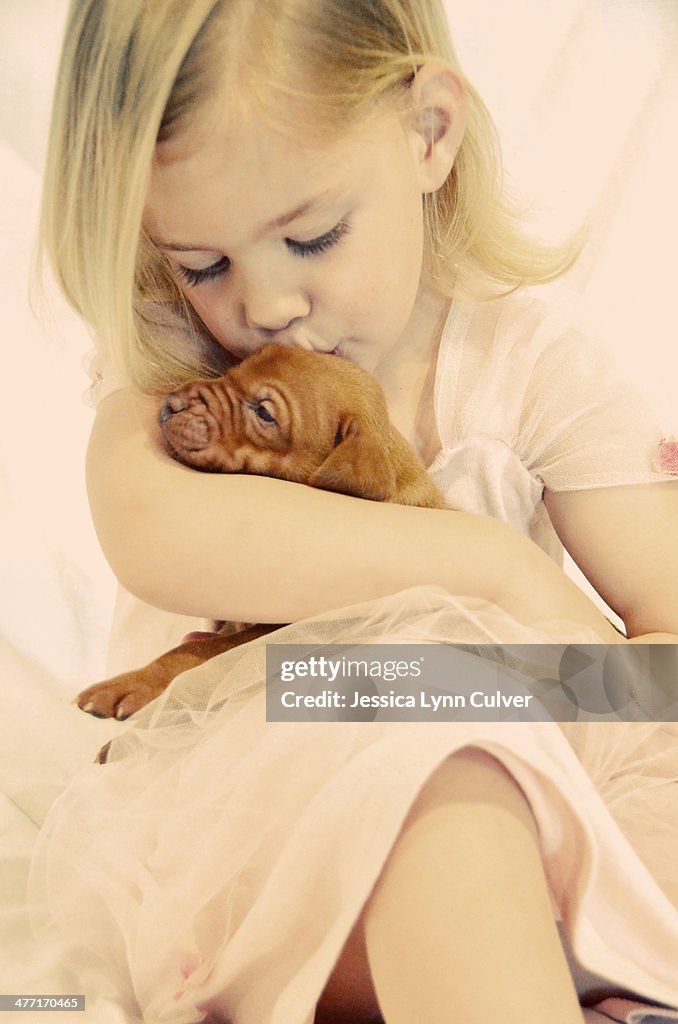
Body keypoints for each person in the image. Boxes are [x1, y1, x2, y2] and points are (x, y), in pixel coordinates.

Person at [30, 1, 678, 1022]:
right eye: (203, 264)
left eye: (313, 234)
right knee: (440, 772)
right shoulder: (177, 372)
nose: (267, 306)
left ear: (429, 133)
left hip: (523, 848)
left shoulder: (532, 372)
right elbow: (153, 536)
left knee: (464, 767)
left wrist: (475, 690)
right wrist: (491, 571)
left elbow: (664, 671)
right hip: (248, 860)